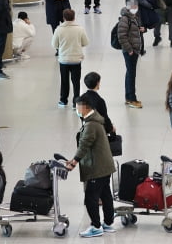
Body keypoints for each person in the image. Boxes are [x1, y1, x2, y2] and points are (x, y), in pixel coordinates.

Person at [66, 97, 116, 238]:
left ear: (86, 107)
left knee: (90, 197)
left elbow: (84, 145)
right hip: (105, 166)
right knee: (105, 194)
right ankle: (108, 223)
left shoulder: (91, 125)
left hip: (97, 168)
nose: (77, 110)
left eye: (78, 107)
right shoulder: (95, 121)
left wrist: (74, 162)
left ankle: (96, 226)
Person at [51, 9, 88, 108]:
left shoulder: (59, 29)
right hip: (76, 60)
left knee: (64, 80)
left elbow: (54, 44)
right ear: (74, 17)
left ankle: (63, 100)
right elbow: (85, 42)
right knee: (76, 82)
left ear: (63, 18)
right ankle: (76, 102)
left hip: (64, 60)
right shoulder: (80, 29)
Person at [118, 0, 144, 109]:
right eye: (134, 6)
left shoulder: (132, 17)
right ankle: (132, 99)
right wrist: (129, 49)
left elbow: (131, 31)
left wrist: (140, 29)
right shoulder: (125, 18)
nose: (135, 8)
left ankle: (129, 97)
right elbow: (121, 36)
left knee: (130, 73)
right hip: (130, 51)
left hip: (134, 50)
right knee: (131, 74)